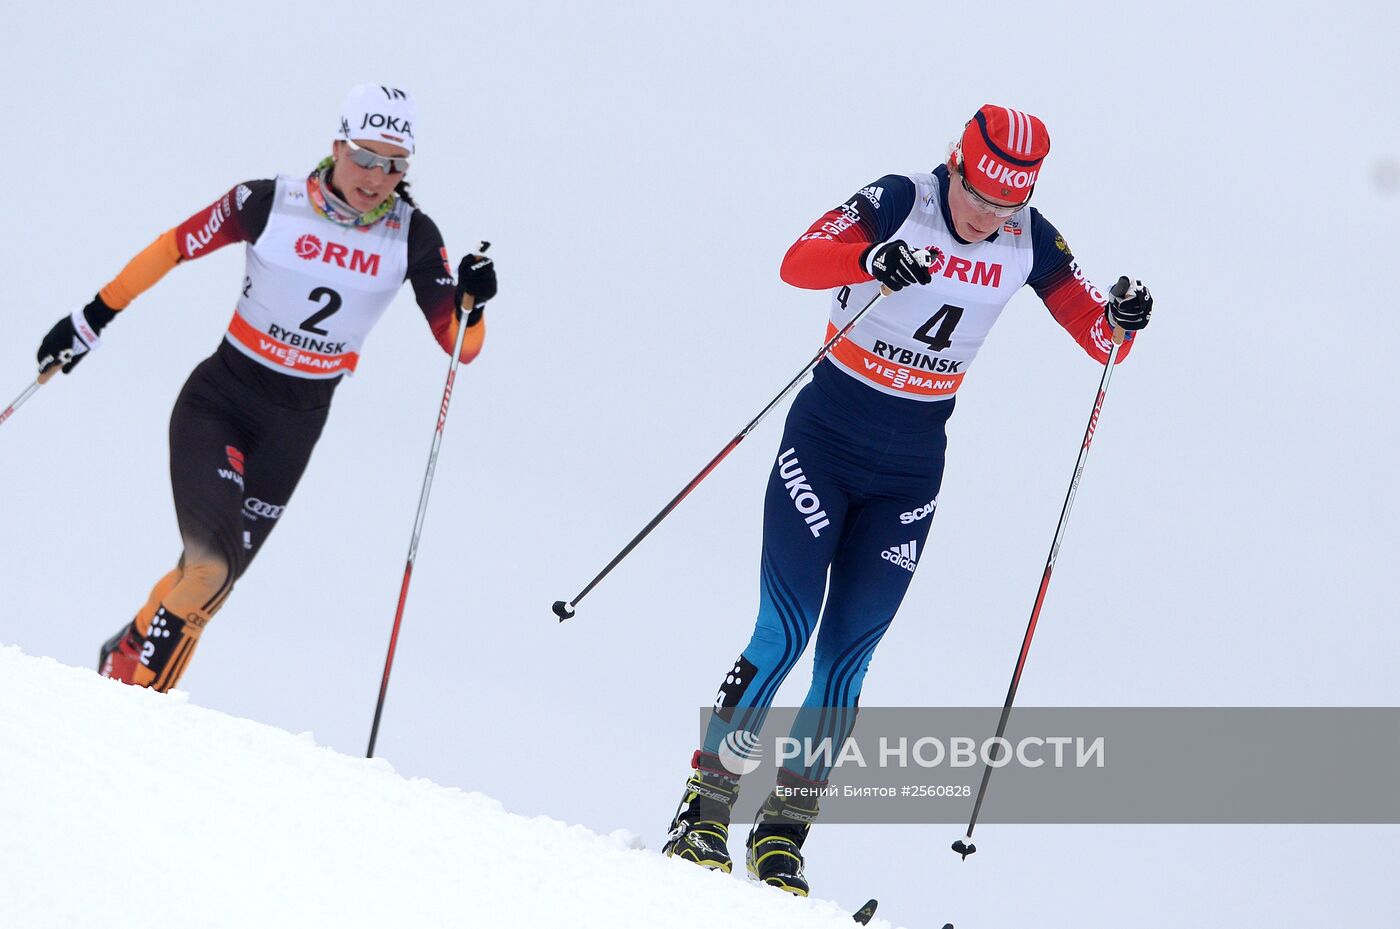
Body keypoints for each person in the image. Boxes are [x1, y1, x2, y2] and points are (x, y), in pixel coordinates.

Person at [661, 104, 1153, 894]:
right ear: (955, 163)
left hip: (911, 471)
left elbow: (1099, 338)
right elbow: (798, 260)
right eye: (978, 196)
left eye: (1005, 205)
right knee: (782, 630)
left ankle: (783, 834)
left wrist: (1121, 319)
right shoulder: (901, 198)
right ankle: (705, 809)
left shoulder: (1034, 237)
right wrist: (872, 255)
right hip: (824, 441)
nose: (987, 217)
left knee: (848, 660)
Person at [35, 84, 498, 693]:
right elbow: (175, 246)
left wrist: (474, 300)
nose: (377, 177)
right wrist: (93, 316)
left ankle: (129, 648)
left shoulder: (412, 234)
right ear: (337, 146)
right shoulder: (268, 202)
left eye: (394, 165)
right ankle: (135, 707)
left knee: (207, 581)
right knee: (209, 571)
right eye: (365, 156)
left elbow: (460, 345)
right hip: (221, 402)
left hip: (296, 428)